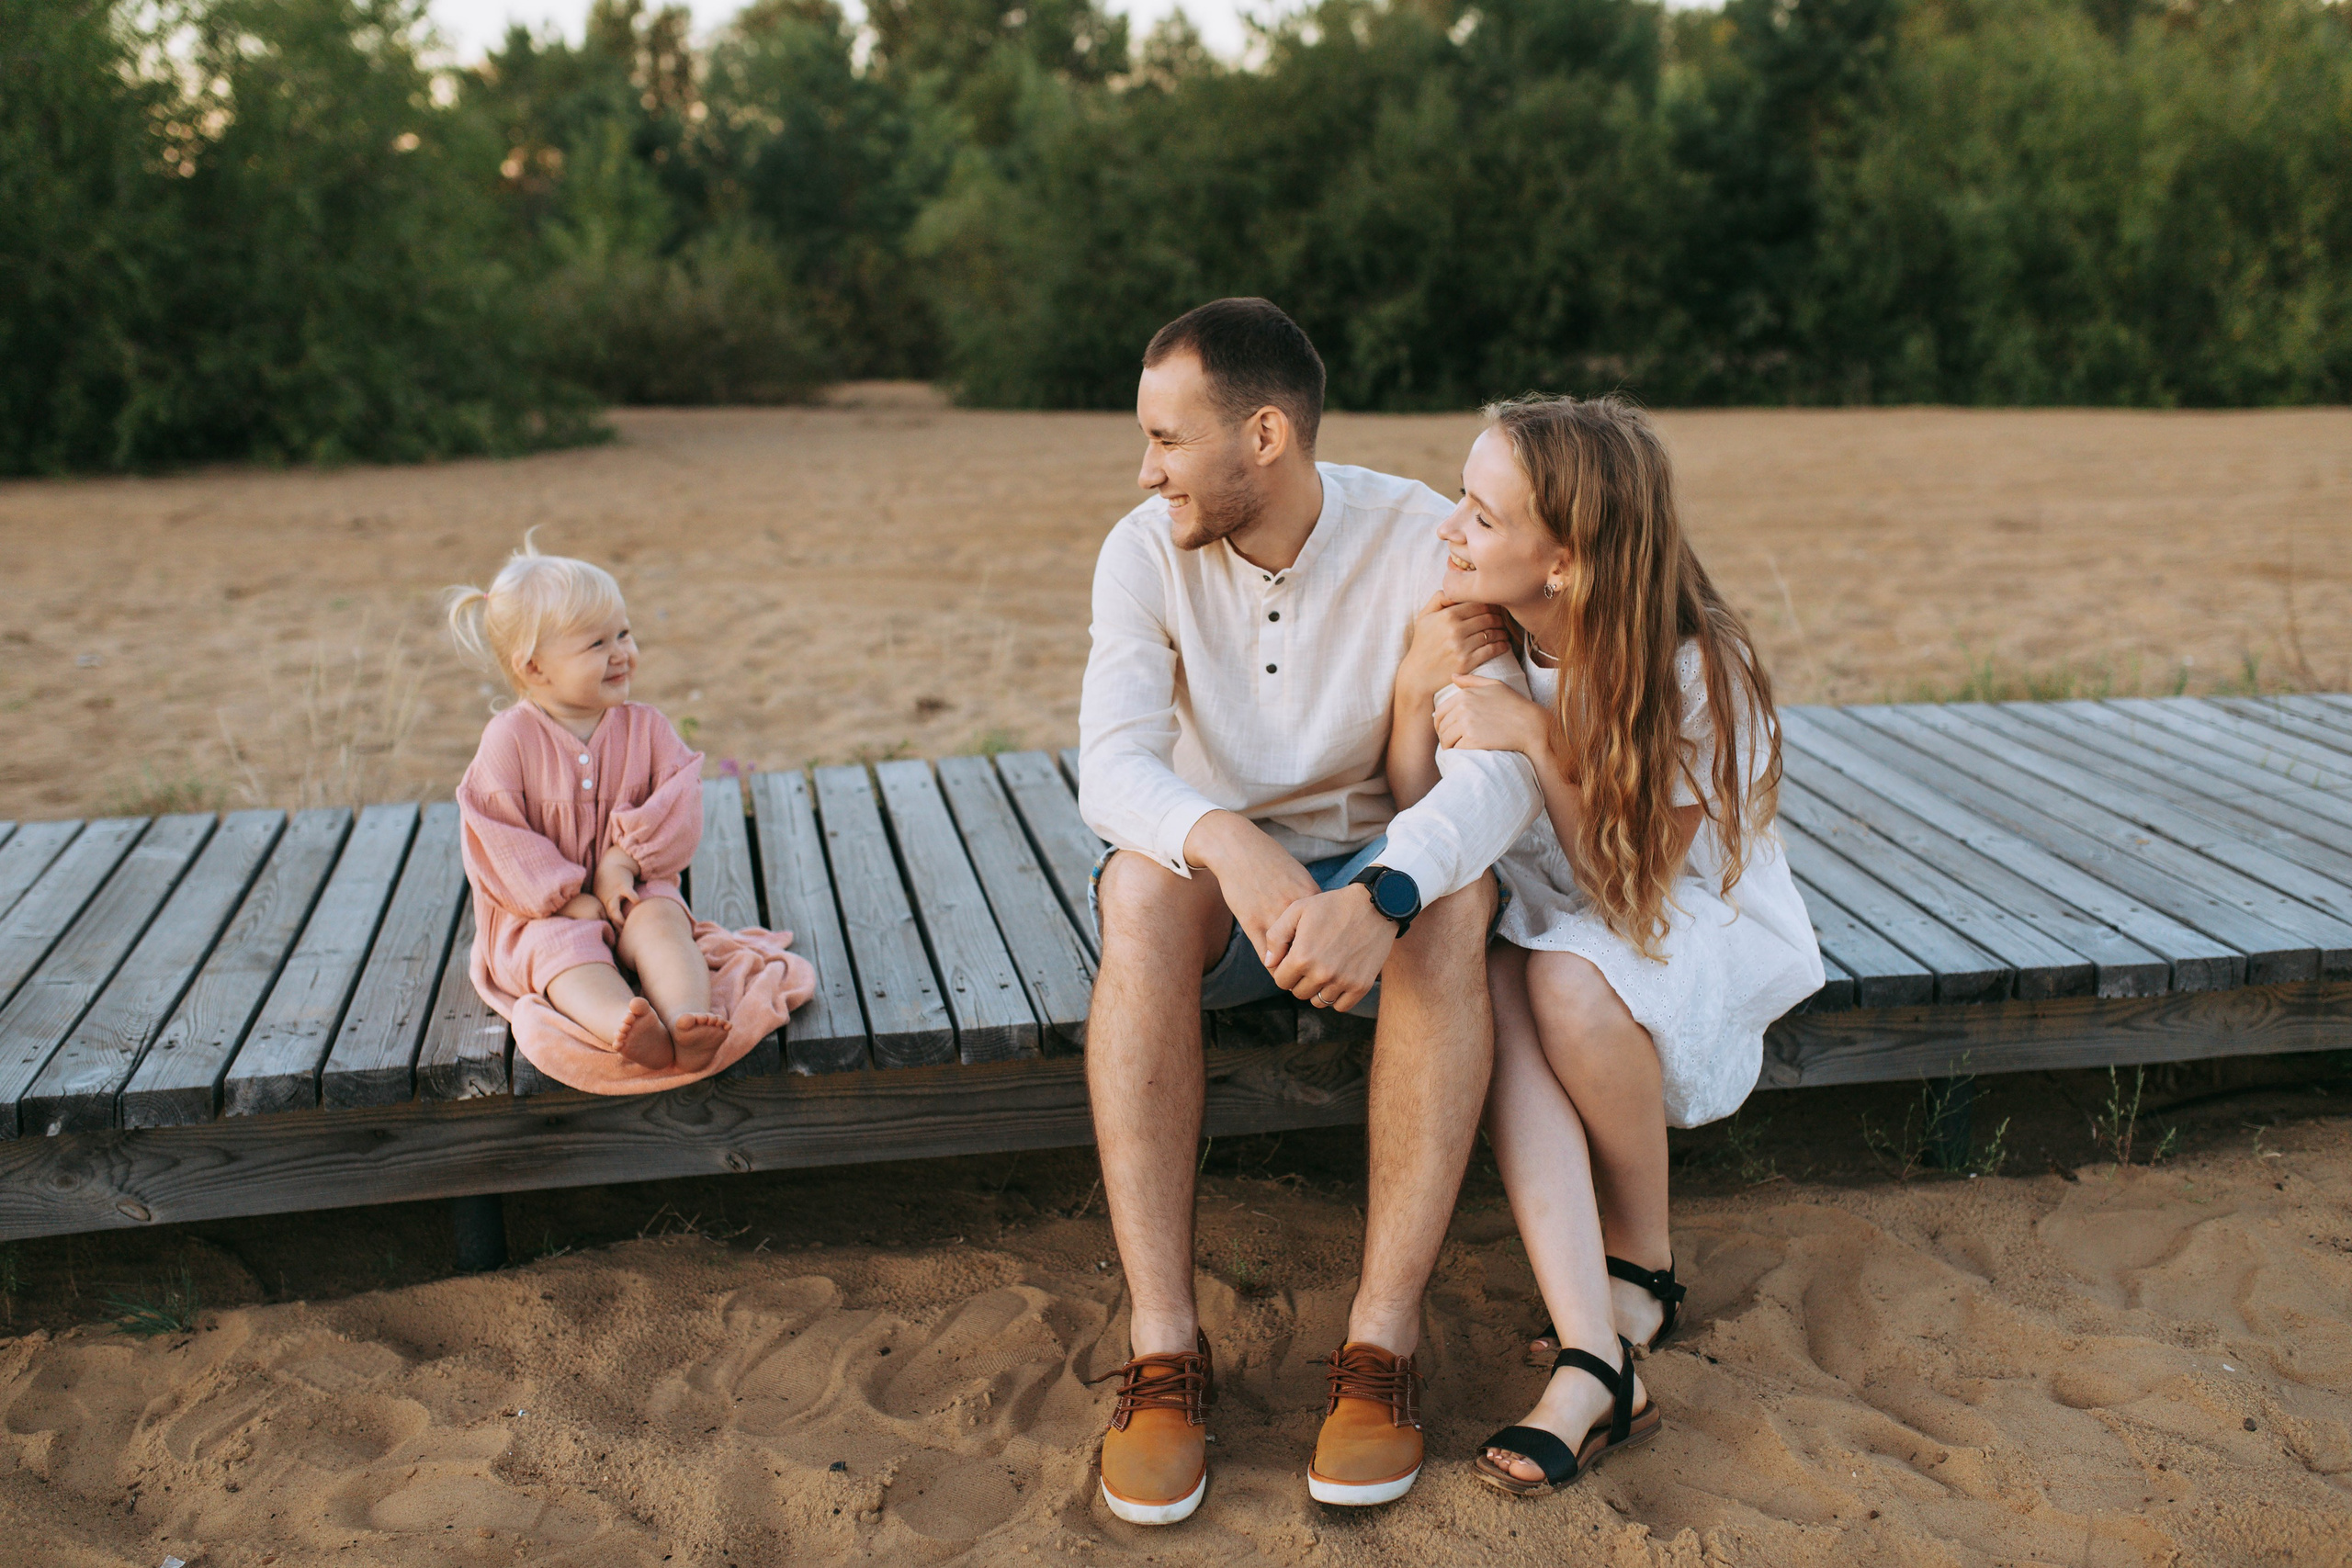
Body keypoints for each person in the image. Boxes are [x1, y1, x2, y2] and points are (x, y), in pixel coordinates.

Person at [1077, 298, 1542, 1525]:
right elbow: (1110, 765)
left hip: (1375, 870)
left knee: (1457, 898)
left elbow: (1496, 771)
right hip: (1220, 889)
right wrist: (1229, 841)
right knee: (1137, 886)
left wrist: (1384, 890)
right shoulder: (1142, 548)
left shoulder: (1419, 540)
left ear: (1265, 434)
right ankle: (1167, 1347)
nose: (1146, 467)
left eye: (1169, 439)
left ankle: (1379, 1347)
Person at [1386, 395, 1823, 1497]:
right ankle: (1595, 1354)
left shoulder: (1692, 674)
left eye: (1482, 518)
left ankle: (1645, 1259)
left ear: (1567, 563)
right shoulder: (1483, 620)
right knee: (1500, 977)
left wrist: (1536, 735)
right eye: (1462, 501)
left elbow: (1623, 894)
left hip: (1671, 915)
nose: (1450, 530)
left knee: (1569, 983)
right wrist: (1412, 687)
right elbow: (1418, 809)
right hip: (1544, 915)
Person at [448, 539, 815, 1093]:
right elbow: (496, 837)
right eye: (597, 643)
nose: (622, 652)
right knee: (563, 957)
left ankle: (688, 1019)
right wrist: (565, 897)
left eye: (624, 633)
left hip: (630, 890)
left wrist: (622, 861)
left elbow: (678, 801)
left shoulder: (646, 728)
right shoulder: (510, 741)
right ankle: (622, 1022)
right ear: (535, 667)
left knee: (662, 924)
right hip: (540, 912)